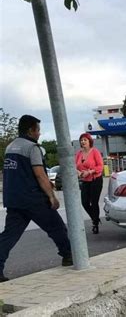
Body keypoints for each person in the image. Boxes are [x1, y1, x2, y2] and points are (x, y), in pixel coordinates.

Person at [0, 115, 72, 283]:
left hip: (14, 199)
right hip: (33, 199)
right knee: (57, 227)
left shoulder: (10, 147)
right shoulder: (32, 148)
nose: (39, 133)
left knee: (9, 236)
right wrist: (52, 196)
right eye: (38, 130)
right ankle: (69, 256)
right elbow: (39, 174)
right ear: (31, 130)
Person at [75, 133, 103, 234]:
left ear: (89, 141)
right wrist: (79, 173)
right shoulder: (78, 153)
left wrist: (89, 172)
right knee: (84, 202)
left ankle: (95, 224)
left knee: (94, 202)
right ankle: (95, 218)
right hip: (85, 181)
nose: (83, 142)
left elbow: (100, 166)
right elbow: (75, 166)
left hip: (95, 180)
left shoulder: (95, 152)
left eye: (85, 140)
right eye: (81, 140)